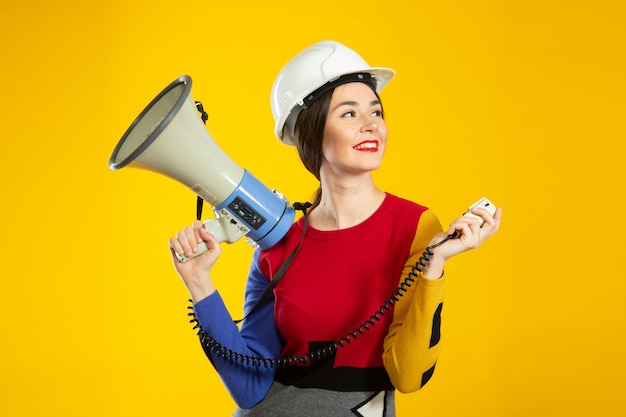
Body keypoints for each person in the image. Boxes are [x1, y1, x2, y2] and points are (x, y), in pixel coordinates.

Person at [168, 40, 502, 417]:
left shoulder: (416, 228)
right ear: (312, 132)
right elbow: (248, 387)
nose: (371, 124)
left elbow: (408, 376)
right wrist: (200, 283)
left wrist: (434, 266)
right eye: (349, 114)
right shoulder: (278, 244)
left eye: (376, 111)